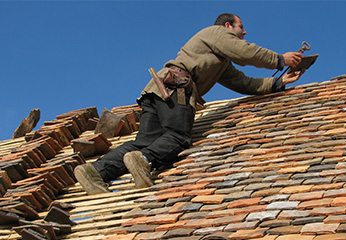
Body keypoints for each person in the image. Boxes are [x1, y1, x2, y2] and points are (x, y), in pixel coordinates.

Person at [74, 13, 305, 194]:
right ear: (227, 26)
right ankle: (145, 160)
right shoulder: (215, 33)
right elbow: (243, 51)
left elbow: (243, 83)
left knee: (144, 141)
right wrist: (279, 59)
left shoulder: (217, 59)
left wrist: (279, 81)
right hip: (177, 88)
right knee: (178, 136)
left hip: (158, 89)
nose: (244, 32)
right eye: (240, 27)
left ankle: (94, 171)